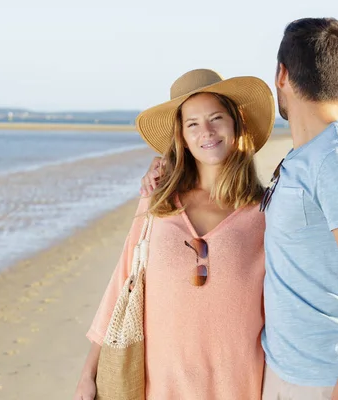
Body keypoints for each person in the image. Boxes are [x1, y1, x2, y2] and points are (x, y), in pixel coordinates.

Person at [140, 18, 338, 400]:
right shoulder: (301, 160)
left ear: (281, 74)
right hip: (287, 371)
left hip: (330, 378)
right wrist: (167, 166)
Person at [74, 68, 276, 400]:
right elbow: (123, 283)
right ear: (181, 136)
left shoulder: (267, 213)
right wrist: (88, 373)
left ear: (236, 123)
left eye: (216, 118)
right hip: (162, 387)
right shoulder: (158, 202)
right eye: (192, 124)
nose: (206, 132)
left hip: (240, 386)